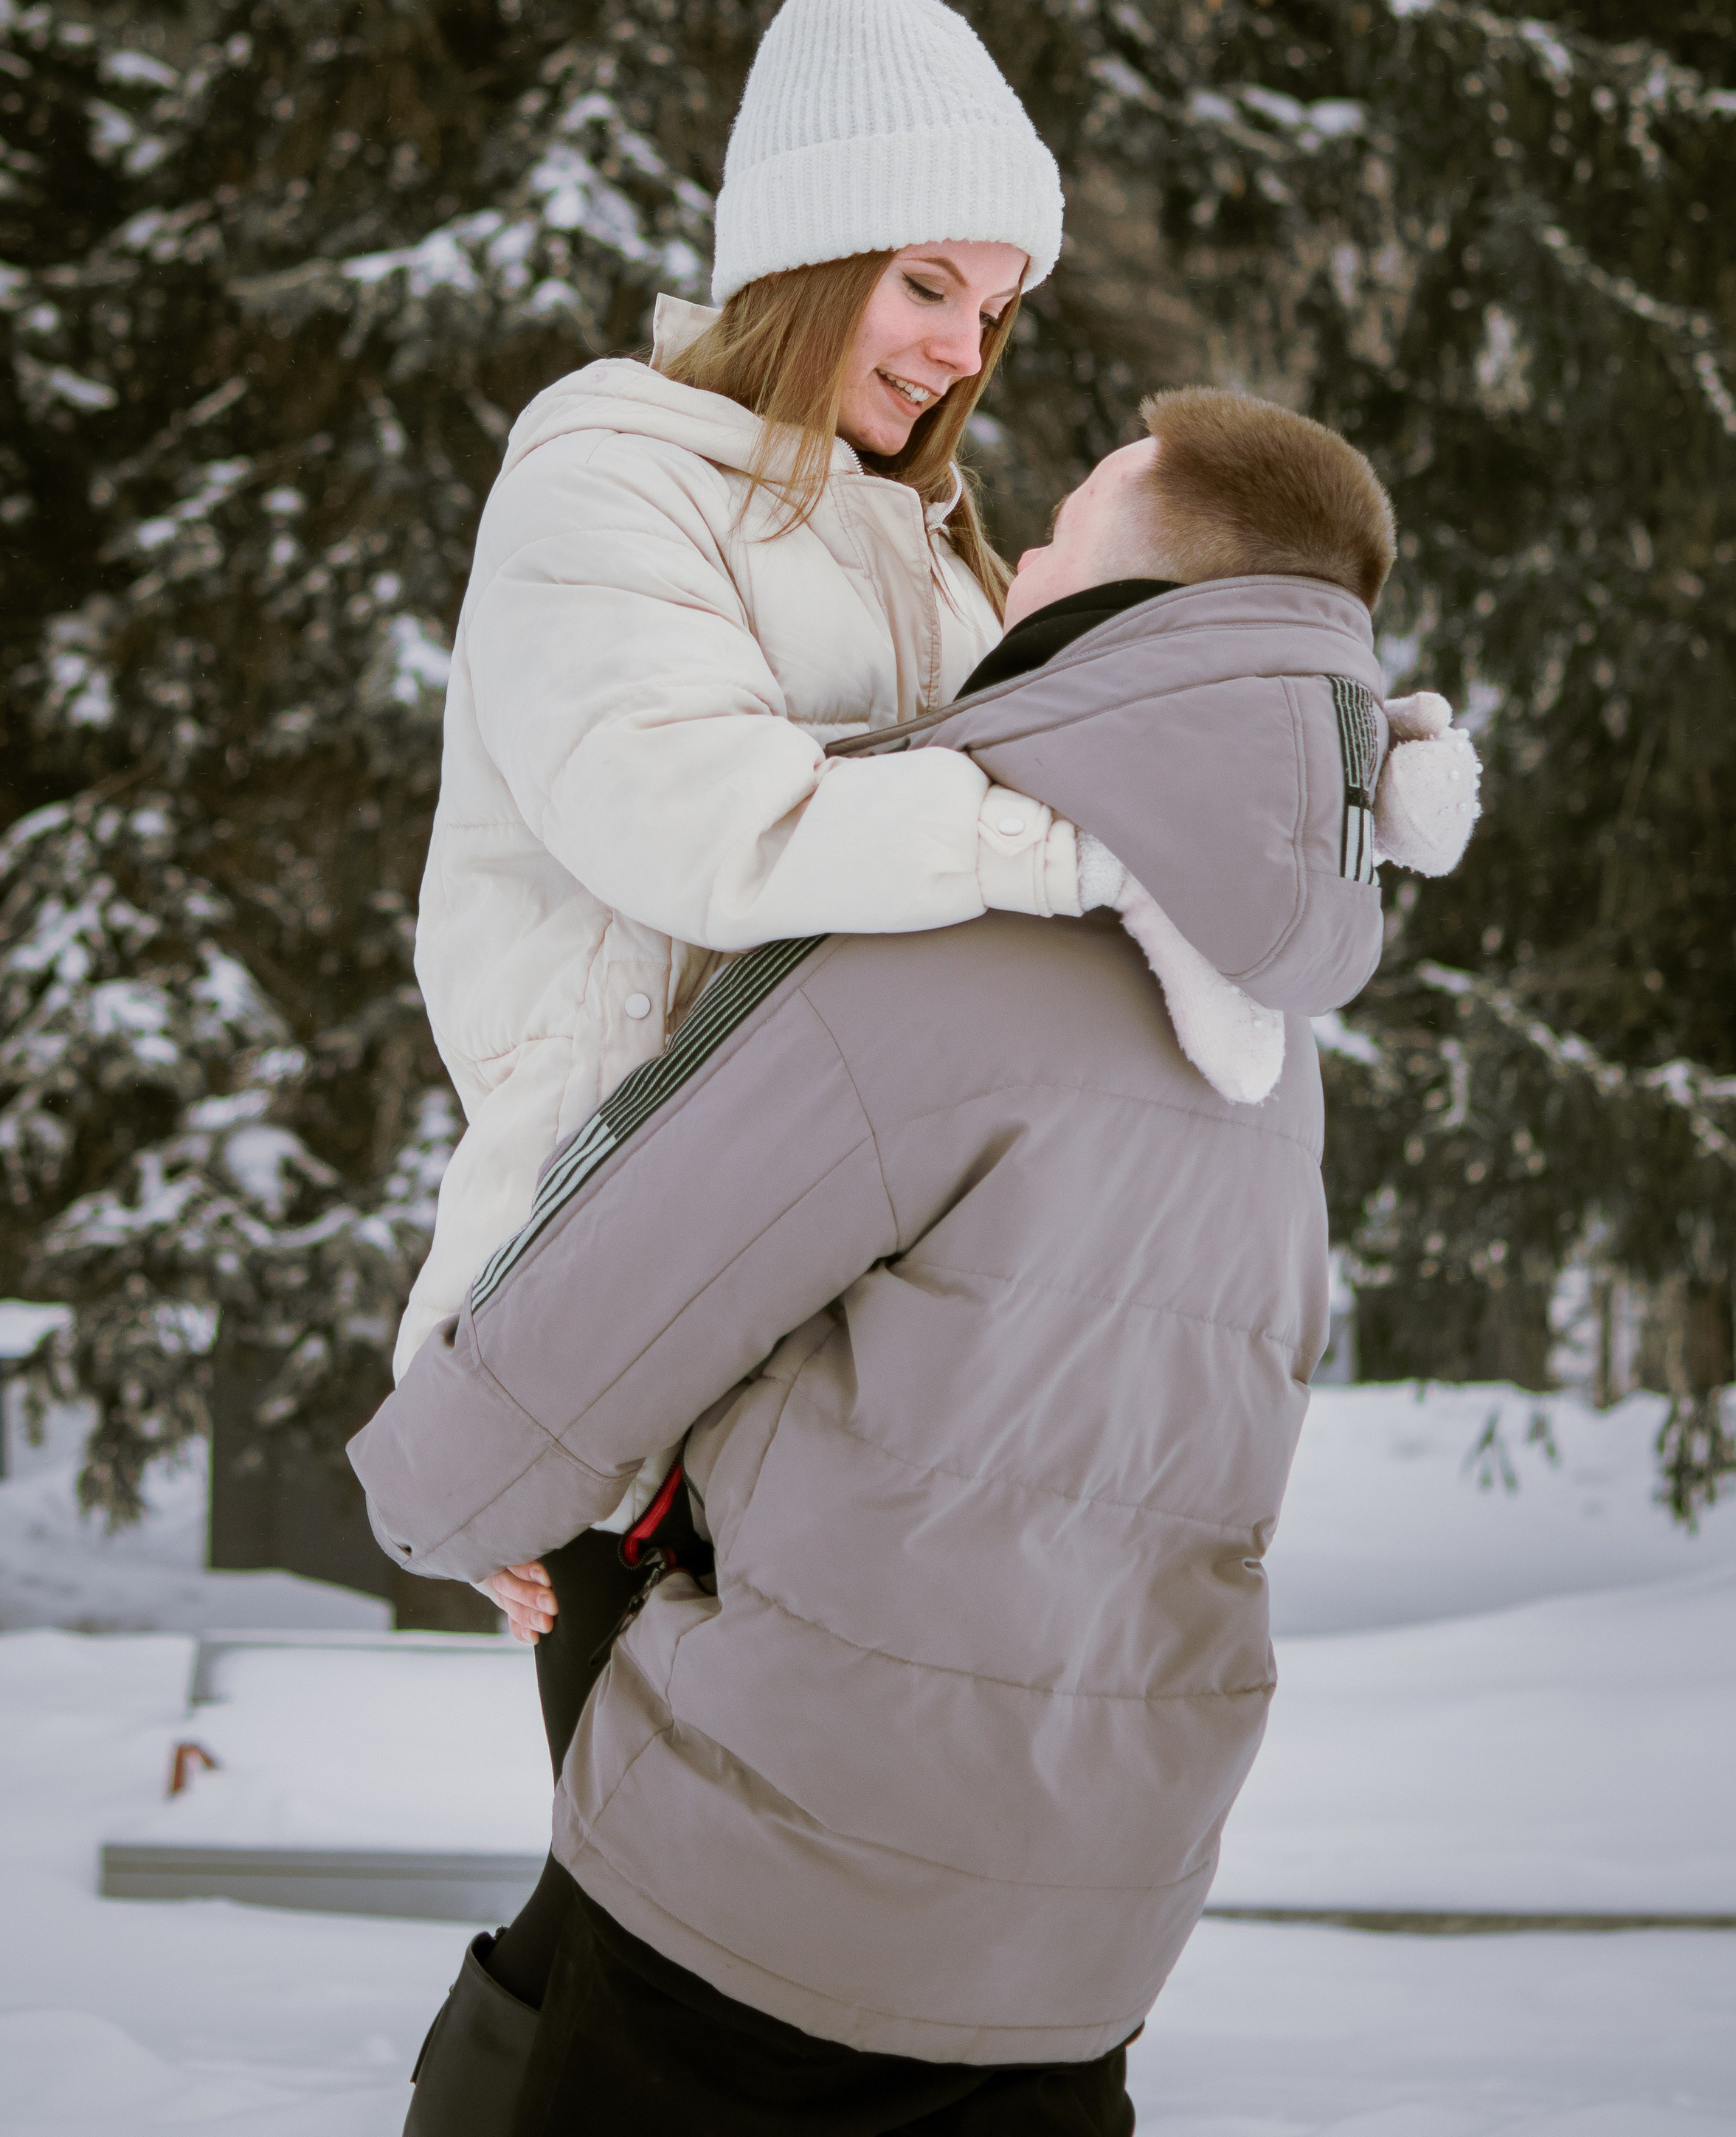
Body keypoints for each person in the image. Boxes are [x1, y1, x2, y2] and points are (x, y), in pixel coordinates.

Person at [350, 388, 1481, 2134]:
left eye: (1065, 529)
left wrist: (436, 1499)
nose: (1011, 549)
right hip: (1089, 1921)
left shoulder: (938, 945)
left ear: (1132, 618)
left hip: (782, 1893)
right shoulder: (1261, 1029)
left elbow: (609, 1294)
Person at [390, 0, 1113, 2115]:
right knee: (671, 1942)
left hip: (856, 1345)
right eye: (921, 280)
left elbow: (1120, 797)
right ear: (802, 250)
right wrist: (1044, 834)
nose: (959, 349)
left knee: (754, 1932)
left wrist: (1350, 773)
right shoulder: (611, 478)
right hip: (637, 1314)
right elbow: (696, 829)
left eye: (995, 308)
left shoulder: (943, 550)